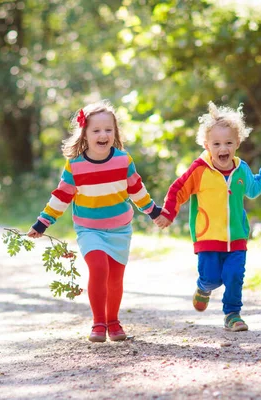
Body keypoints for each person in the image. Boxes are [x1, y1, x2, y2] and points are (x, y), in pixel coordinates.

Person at [27, 100, 164, 343]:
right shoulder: (76, 166)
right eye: (96, 130)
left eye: (108, 130)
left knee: (115, 278)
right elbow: (62, 196)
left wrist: (153, 211)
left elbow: (136, 190)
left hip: (120, 229)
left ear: (115, 132)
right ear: (85, 134)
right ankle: (99, 323)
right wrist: (42, 222)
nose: (103, 135)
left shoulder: (123, 160)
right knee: (99, 268)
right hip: (89, 229)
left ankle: (114, 321)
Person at [155, 101, 261, 332]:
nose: (223, 148)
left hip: (236, 236)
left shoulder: (241, 168)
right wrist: (167, 214)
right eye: (216, 144)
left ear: (237, 143)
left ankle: (232, 314)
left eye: (228, 143)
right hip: (207, 237)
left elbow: (253, 189)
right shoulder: (199, 170)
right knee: (212, 277)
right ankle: (203, 287)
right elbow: (177, 190)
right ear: (206, 145)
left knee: (234, 275)